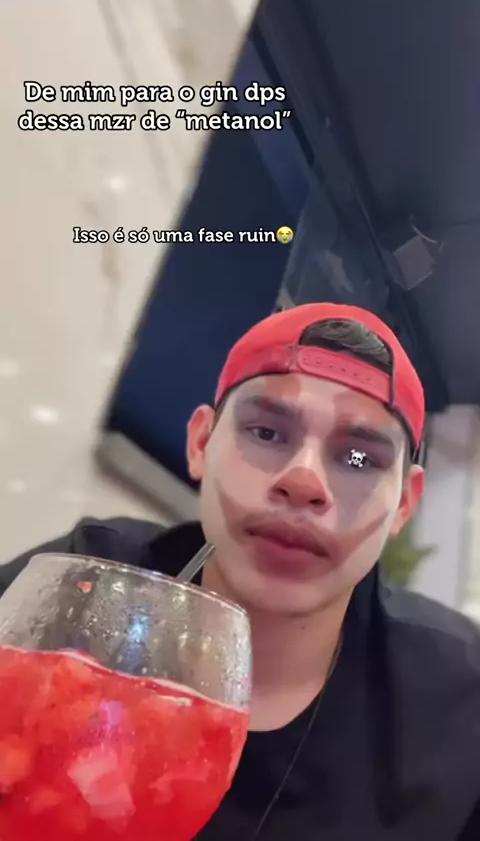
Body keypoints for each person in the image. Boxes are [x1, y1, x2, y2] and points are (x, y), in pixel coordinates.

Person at [2, 302, 480, 840]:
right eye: (267, 433)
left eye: (358, 459)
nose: (303, 482)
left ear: (405, 504)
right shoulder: (82, 587)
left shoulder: (460, 706)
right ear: (202, 443)